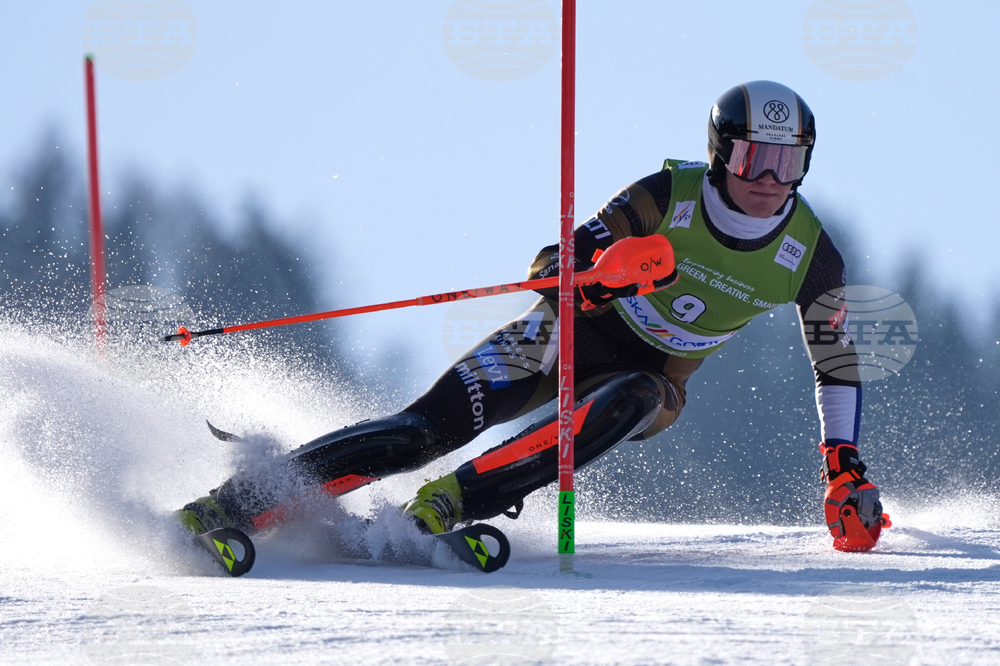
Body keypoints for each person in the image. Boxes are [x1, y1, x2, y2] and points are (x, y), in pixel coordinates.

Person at [177, 80, 889, 553]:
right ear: (718, 153)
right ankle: (231, 505)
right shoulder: (666, 195)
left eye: (787, 162)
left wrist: (842, 467)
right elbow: (555, 261)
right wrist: (592, 279)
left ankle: (452, 503)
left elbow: (837, 363)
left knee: (637, 398)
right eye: (751, 157)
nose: (768, 180)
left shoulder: (812, 255)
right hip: (560, 339)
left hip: (653, 374)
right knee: (424, 429)